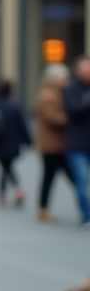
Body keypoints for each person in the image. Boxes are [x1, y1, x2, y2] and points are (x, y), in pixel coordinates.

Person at [0, 78, 32, 208]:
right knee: (6, 167)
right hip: (11, 142)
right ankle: (15, 191)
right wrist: (28, 141)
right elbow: (22, 126)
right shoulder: (14, 107)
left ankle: (5, 194)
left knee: (5, 167)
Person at [36, 63, 72, 223]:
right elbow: (52, 118)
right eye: (64, 79)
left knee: (50, 177)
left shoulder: (55, 93)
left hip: (56, 143)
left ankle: (43, 208)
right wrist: (68, 118)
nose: (67, 82)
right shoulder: (49, 95)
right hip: (52, 144)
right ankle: (43, 208)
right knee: (55, 176)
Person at [63, 55, 90, 228]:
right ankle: (87, 215)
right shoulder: (70, 89)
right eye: (84, 69)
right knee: (81, 180)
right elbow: (73, 110)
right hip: (77, 143)